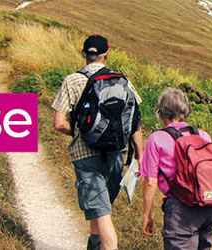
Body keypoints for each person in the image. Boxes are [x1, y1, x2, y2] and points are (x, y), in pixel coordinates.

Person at [52, 34, 144, 250]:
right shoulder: (122, 80)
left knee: (101, 211)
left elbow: (58, 123)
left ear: (83, 53)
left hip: (86, 155)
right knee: (101, 207)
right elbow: (134, 121)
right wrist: (140, 154)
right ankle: (93, 246)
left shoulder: (71, 80)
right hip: (116, 152)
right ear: (107, 54)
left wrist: (80, 132)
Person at [139, 88, 212, 250]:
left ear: (161, 112)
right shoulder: (203, 135)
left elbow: (150, 182)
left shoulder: (156, 138)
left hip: (183, 208)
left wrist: (146, 215)